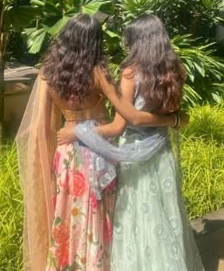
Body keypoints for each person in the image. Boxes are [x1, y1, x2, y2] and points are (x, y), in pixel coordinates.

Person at [16, 14, 188, 271]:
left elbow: (43, 127)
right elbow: (125, 118)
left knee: (67, 215)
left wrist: (54, 153)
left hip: (65, 156)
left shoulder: (48, 75)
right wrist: (174, 118)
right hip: (97, 151)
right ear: (93, 42)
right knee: (96, 217)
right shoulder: (98, 73)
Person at [61, 14, 204, 271]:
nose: (127, 45)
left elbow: (124, 123)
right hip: (161, 152)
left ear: (139, 41)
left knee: (135, 218)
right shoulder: (175, 70)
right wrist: (173, 120)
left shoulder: (130, 73)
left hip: (133, 156)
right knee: (165, 216)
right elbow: (180, 117)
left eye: (130, 39)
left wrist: (79, 133)